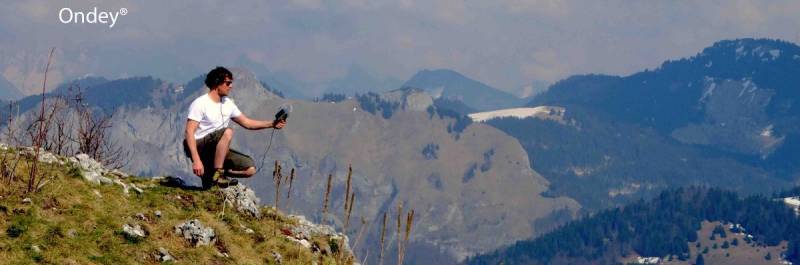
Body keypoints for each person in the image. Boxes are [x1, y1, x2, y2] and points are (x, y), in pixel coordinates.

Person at [184, 66, 286, 189]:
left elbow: (247, 123)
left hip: (217, 149)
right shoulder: (200, 103)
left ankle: (213, 174)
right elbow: (189, 132)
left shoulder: (228, 104)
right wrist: (196, 160)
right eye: (228, 83)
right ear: (217, 83)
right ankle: (219, 174)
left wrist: (272, 124)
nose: (231, 86)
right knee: (227, 132)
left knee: (250, 169)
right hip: (200, 146)